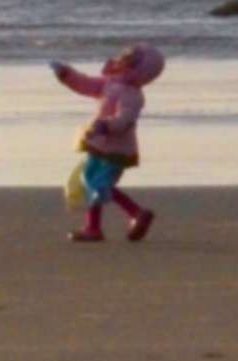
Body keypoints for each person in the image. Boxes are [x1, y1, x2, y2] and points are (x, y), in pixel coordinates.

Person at [54, 45, 163, 242]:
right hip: (99, 145)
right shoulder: (111, 84)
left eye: (127, 59)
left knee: (99, 184)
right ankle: (94, 227)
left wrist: (105, 126)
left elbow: (124, 120)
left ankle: (135, 212)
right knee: (91, 181)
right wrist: (66, 74)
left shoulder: (131, 95)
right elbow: (86, 85)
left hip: (116, 149)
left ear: (136, 70)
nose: (119, 60)